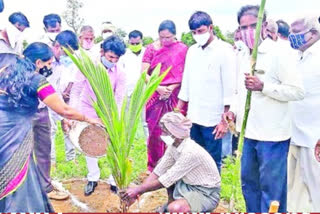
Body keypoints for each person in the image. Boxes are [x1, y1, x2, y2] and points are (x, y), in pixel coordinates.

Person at [0, 45, 99, 212]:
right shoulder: (36, 80)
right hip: (14, 134)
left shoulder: (5, 72)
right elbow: (64, 109)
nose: (51, 66)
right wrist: (88, 118)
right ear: (38, 62)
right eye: (49, 62)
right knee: (15, 173)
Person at [225, 5, 305, 212]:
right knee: (249, 184)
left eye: (253, 25)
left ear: (265, 26)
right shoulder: (244, 55)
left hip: (273, 135)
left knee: (272, 188)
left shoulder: (280, 53)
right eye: (244, 27)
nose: (248, 31)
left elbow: (297, 91)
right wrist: (233, 110)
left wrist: (264, 87)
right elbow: (239, 92)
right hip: (248, 134)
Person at [122, 112, 221, 212]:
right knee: (163, 164)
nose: (162, 135)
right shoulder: (174, 146)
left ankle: (181, 206)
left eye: (165, 132)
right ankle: (172, 202)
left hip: (206, 194)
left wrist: (138, 190)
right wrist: (138, 192)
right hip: (186, 185)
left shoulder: (190, 152)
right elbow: (159, 171)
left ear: (174, 133)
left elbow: (166, 180)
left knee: (175, 208)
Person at [175, 11, 236, 172]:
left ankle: (212, 196)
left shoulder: (224, 50)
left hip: (214, 119)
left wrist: (224, 121)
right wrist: (178, 111)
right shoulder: (192, 51)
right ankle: (197, 195)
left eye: (200, 31)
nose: (197, 35)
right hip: (194, 117)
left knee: (213, 163)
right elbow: (186, 83)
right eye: (194, 33)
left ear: (210, 28)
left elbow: (230, 88)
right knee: (195, 159)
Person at [71, 35, 126, 196]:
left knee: (113, 146)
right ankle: (93, 178)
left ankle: (113, 181)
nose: (113, 61)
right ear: (102, 51)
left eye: (116, 58)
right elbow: (76, 90)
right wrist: (74, 114)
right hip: (88, 109)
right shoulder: (87, 66)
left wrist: (110, 118)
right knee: (89, 143)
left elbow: (119, 97)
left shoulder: (120, 72)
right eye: (110, 57)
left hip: (109, 113)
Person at [141, 20, 188, 172]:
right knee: (155, 132)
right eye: (162, 37)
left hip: (176, 97)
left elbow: (185, 75)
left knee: (176, 130)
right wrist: (158, 87)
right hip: (156, 96)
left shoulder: (182, 49)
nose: (165, 41)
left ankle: (176, 167)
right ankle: (154, 166)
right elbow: (144, 74)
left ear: (175, 35)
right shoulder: (151, 49)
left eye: (168, 37)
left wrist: (172, 87)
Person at [287, 17, 320, 212]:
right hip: (293, 134)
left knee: (317, 189)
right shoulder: (295, 57)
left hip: (314, 137)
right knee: (294, 193)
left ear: (314, 34)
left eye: (297, 32)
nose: (292, 37)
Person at [49, 30, 80, 163]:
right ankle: (51, 162)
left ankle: (57, 161)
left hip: (54, 99)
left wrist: (64, 114)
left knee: (57, 127)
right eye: (66, 53)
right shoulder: (46, 60)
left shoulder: (60, 64)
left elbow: (55, 89)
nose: (67, 57)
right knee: (49, 130)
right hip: (41, 102)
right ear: (58, 46)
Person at [119, 30, 148, 138]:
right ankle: (127, 143)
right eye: (132, 43)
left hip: (144, 91)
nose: (135, 46)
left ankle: (148, 143)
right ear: (129, 42)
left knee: (145, 120)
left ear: (142, 41)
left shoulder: (147, 53)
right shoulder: (124, 55)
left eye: (137, 43)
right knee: (127, 120)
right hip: (127, 92)